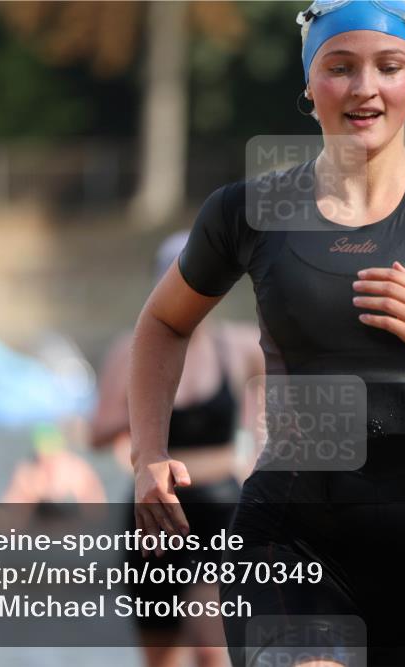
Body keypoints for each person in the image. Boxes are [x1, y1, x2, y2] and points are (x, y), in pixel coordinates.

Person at [128, 2, 405, 666]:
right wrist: (148, 454)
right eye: (340, 68)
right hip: (287, 535)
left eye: (388, 66)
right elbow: (164, 322)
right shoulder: (250, 212)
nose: (365, 88)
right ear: (310, 85)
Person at [91, 230, 266, 667]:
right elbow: (96, 433)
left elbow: (299, 377)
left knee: (212, 647)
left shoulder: (239, 345)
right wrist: (145, 411)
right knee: (162, 657)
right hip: (154, 512)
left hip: (220, 508)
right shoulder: (128, 351)